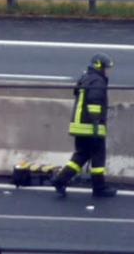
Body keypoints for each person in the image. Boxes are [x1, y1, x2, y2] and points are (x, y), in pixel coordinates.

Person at [49, 53, 117, 198]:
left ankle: (60, 179)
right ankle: (99, 187)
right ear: (100, 67)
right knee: (98, 156)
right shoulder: (98, 81)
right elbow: (94, 101)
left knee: (81, 155)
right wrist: (97, 121)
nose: (108, 71)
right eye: (106, 68)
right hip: (91, 127)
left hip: (79, 126)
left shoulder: (86, 77)